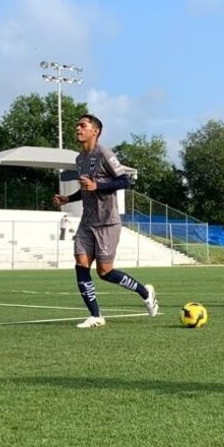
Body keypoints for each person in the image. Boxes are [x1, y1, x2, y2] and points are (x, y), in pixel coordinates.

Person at [53, 114, 158, 328]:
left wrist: (98, 186)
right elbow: (87, 188)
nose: (78, 129)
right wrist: (68, 198)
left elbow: (124, 181)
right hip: (87, 222)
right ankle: (96, 316)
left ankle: (145, 292)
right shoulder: (79, 159)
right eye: (77, 126)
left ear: (95, 131)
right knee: (81, 264)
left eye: (82, 125)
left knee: (105, 272)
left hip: (107, 222)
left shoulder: (105, 154)